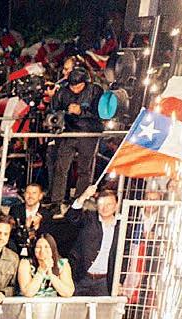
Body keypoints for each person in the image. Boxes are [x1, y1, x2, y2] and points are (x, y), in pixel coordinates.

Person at [47, 67, 103, 204]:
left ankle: (80, 200)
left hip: (89, 132)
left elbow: (101, 113)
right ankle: (57, 200)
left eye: (78, 86)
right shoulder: (62, 92)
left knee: (84, 168)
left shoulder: (95, 91)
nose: (75, 89)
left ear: (85, 83)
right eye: (72, 86)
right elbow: (53, 110)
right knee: (61, 166)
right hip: (69, 132)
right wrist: (61, 115)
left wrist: (81, 112)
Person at [64, 186, 121, 296]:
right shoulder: (89, 218)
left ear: (116, 205)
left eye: (109, 204)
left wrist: (120, 280)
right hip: (81, 277)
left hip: (105, 281)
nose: (105, 208)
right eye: (101, 204)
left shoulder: (122, 226)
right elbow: (72, 217)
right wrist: (84, 196)